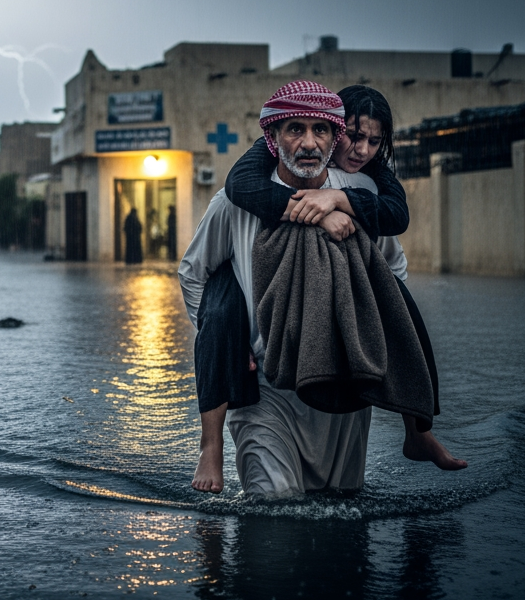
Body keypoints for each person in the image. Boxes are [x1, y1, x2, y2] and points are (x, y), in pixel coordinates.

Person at [180, 81, 459, 497]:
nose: (308, 143)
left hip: (344, 387)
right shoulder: (231, 203)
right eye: (295, 129)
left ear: (334, 137)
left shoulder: (362, 194)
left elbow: (393, 269)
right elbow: (193, 273)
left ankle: (418, 431)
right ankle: (212, 445)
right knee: (274, 503)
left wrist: (369, 330)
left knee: (343, 502)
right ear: (273, 137)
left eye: (320, 130)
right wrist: (232, 344)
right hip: (266, 390)